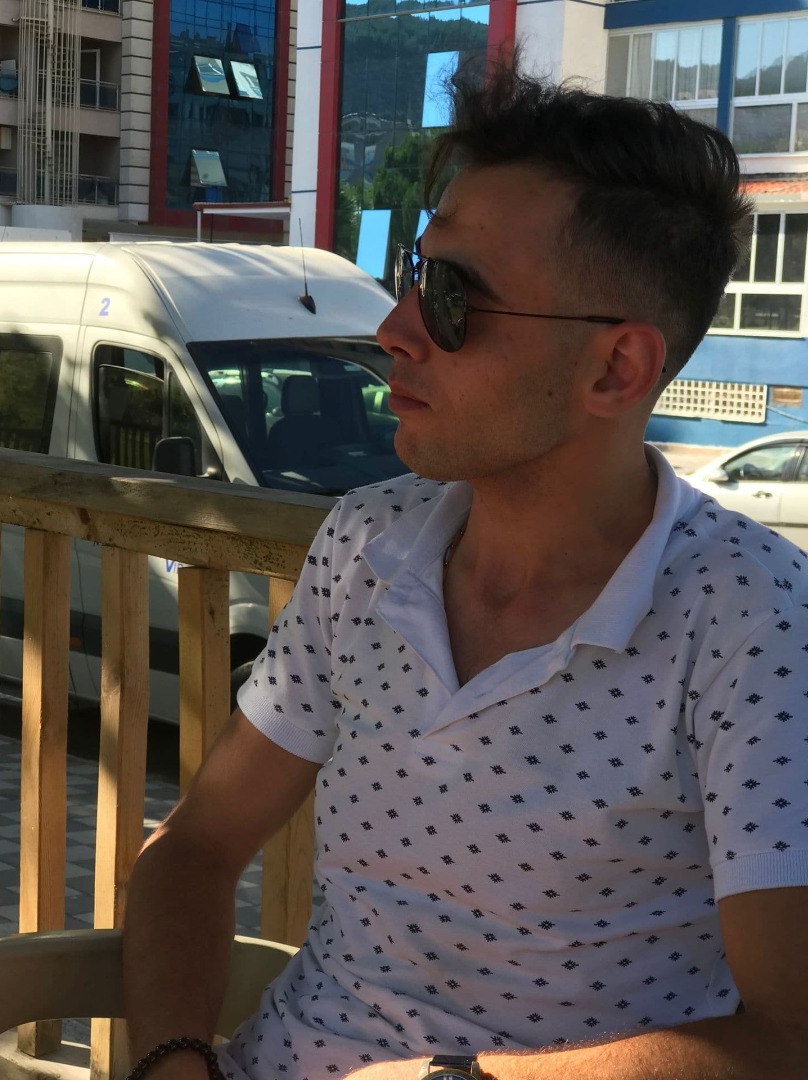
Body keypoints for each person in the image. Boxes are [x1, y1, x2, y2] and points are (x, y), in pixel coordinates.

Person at [122, 60, 808, 1080]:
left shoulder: (755, 621)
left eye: (452, 298)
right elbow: (197, 843)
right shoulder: (366, 546)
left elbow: (789, 1033)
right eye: (415, 271)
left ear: (616, 368)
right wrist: (175, 1061)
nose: (394, 330)